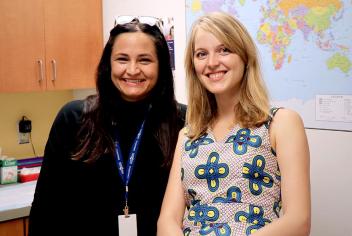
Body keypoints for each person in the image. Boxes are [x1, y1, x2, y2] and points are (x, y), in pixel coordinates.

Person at [29, 16, 186, 236]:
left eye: (144, 60)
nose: (132, 70)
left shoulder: (182, 123)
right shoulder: (74, 118)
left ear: (161, 66)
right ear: (108, 64)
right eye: (122, 59)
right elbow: (46, 209)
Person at [158, 11, 310, 236]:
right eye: (201, 54)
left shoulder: (281, 123)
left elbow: (299, 221)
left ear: (245, 56)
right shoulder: (188, 135)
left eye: (224, 50)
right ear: (193, 66)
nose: (212, 63)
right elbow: (166, 222)